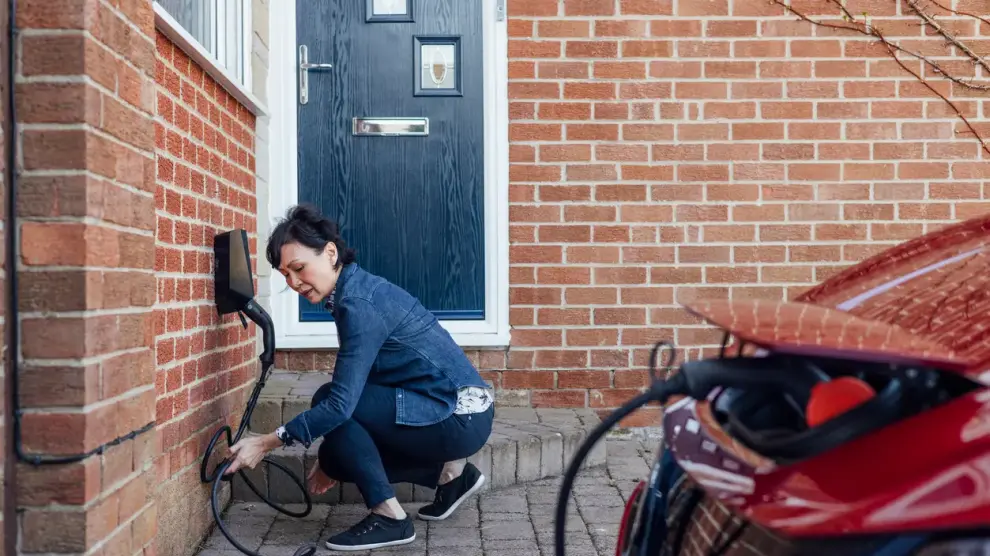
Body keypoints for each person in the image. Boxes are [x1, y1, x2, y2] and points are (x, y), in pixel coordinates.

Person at [223, 204, 495, 551]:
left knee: (329, 405)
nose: (293, 283)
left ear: (331, 252)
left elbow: (339, 405)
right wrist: (331, 459)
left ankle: (391, 517)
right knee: (337, 452)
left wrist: (265, 442)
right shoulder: (357, 289)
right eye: (285, 275)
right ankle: (450, 476)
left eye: (299, 268)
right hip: (462, 409)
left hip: (457, 416)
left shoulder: (358, 304)